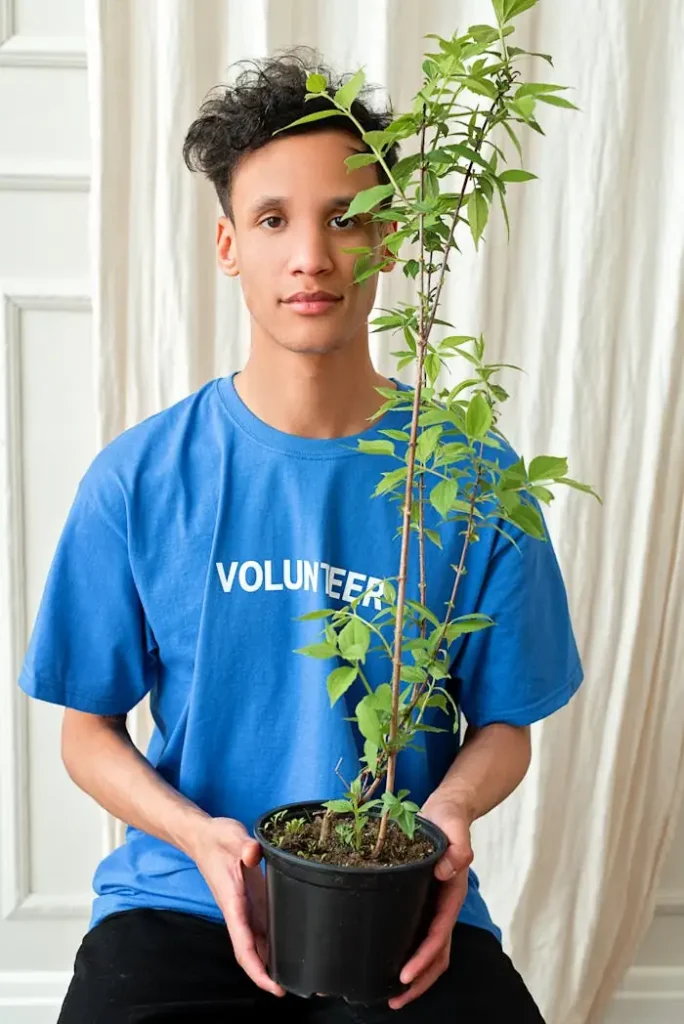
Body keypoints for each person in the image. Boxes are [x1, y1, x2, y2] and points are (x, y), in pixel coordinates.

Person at [18, 47, 583, 1023]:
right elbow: (86, 731)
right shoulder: (140, 478)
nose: (311, 256)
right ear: (229, 244)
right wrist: (196, 834)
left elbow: (504, 725)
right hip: (183, 900)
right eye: (274, 219)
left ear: (391, 238)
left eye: (345, 216)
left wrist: (447, 813)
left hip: (398, 901)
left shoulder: (476, 475)